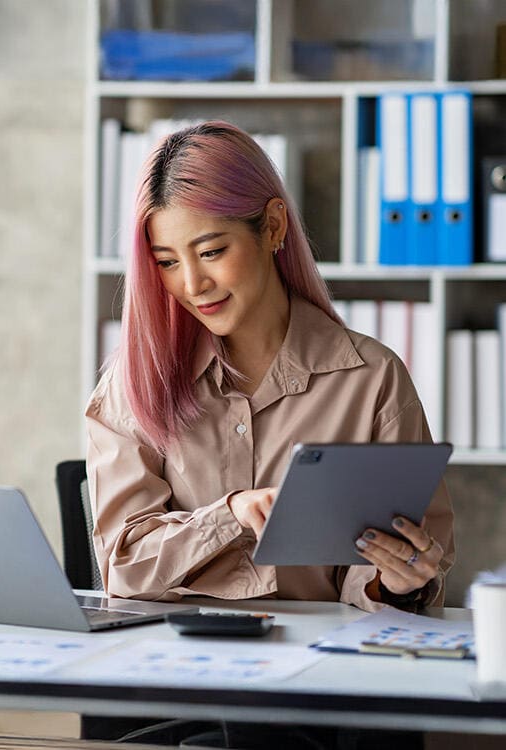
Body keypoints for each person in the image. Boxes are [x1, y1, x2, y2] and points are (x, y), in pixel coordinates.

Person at [86, 120, 454, 613]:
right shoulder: (131, 386)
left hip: (319, 668)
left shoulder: (372, 381)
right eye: (168, 262)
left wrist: (399, 582)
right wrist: (230, 515)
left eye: (212, 251)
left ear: (274, 226)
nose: (193, 284)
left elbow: (393, 571)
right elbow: (123, 568)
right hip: (174, 667)